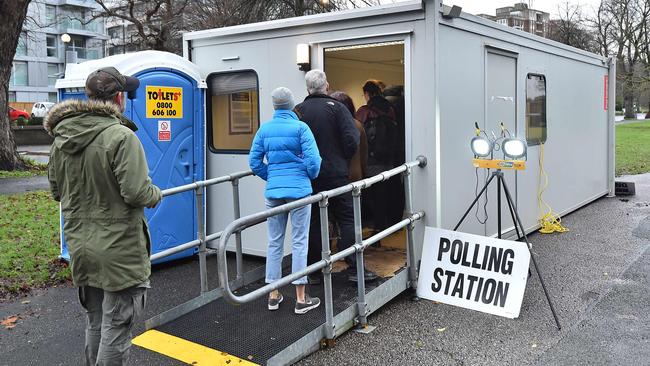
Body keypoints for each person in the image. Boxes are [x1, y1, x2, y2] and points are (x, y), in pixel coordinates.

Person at [45, 67, 161, 366]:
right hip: (119, 247)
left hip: (81, 245)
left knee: (96, 321)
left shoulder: (61, 138)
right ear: (119, 98)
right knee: (117, 326)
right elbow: (137, 192)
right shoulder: (121, 137)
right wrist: (155, 193)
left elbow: (58, 191)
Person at [295, 70, 378, 283]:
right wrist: (341, 159)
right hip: (337, 175)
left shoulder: (299, 111)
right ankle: (353, 267)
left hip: (309, 177)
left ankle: (314, 271)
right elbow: (352, 140)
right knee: (348, 219)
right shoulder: (339, 109)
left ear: (307, 89)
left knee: (314, 221)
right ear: (327, 86)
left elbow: (294, 145)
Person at [249, 87, 322, 314]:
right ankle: (301, 298)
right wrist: (307, 175)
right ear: (291, 105)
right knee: (299, 241)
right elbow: (314, 161)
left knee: (274, 242)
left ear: (275, 106)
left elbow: (254, 162)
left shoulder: (264, 129)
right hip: (299, 191)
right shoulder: (301, 128)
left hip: (274, 193)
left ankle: (273, 294)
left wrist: (271, 176)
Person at [356, 80, 401, 233]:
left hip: (371, 160)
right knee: (386, 194)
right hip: (389, 160)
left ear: (368, 94)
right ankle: (386, 226)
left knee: (371, 196)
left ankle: (375, 229)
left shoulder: (365, 111)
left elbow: (357, 134)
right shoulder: (391, 109)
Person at [329, 91, 367, 183]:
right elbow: (364, 154)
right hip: (355, 175)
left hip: (335, 176)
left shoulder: (329, 124)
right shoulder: (358, 125)